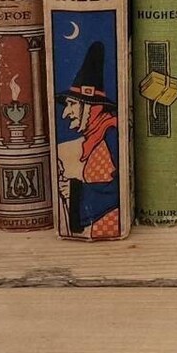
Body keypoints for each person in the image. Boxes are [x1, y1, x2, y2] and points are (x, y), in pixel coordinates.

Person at [55, 41, 120, 239]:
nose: (66, 113)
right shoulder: (95, 138)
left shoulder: (111, 134)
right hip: (98, 228)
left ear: (92, 107)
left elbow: (120, 186)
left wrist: (76, 191)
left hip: (113, 224)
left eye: (72, 105)